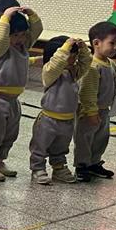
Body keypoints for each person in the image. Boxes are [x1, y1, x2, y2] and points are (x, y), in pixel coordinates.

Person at [0, 6, 43, 181]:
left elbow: (36, 31)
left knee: (10, 134)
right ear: (7, 34)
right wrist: (5, 17)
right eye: (15, 35)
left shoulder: (23, 47)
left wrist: (32, 15)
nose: (20, 39)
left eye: (23, 34)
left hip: (14, 99)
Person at [30, 36, 91, 185]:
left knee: (61, 147)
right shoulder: (49, 73)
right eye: (71, 55)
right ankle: (37, 168)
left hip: (68, 120)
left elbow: (86, 63)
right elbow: (56, 64)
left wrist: (83, 49)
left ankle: (58, 168)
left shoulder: (73, 72)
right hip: (48, 119)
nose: (74, 59)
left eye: (75, 55)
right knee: (40, 146)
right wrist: (65, 48)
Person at [75, 21, 116, 182]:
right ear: (96, 43)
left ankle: (94, 162)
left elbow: (113, 87)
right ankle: (82, 165)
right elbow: (87, 92)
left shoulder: (111, 64)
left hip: (103, 110)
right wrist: (90, 112)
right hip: (89, 111)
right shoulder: (92, 67)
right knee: (85, 138)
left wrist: (114, 106)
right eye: (112, 43)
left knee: (101, 138)